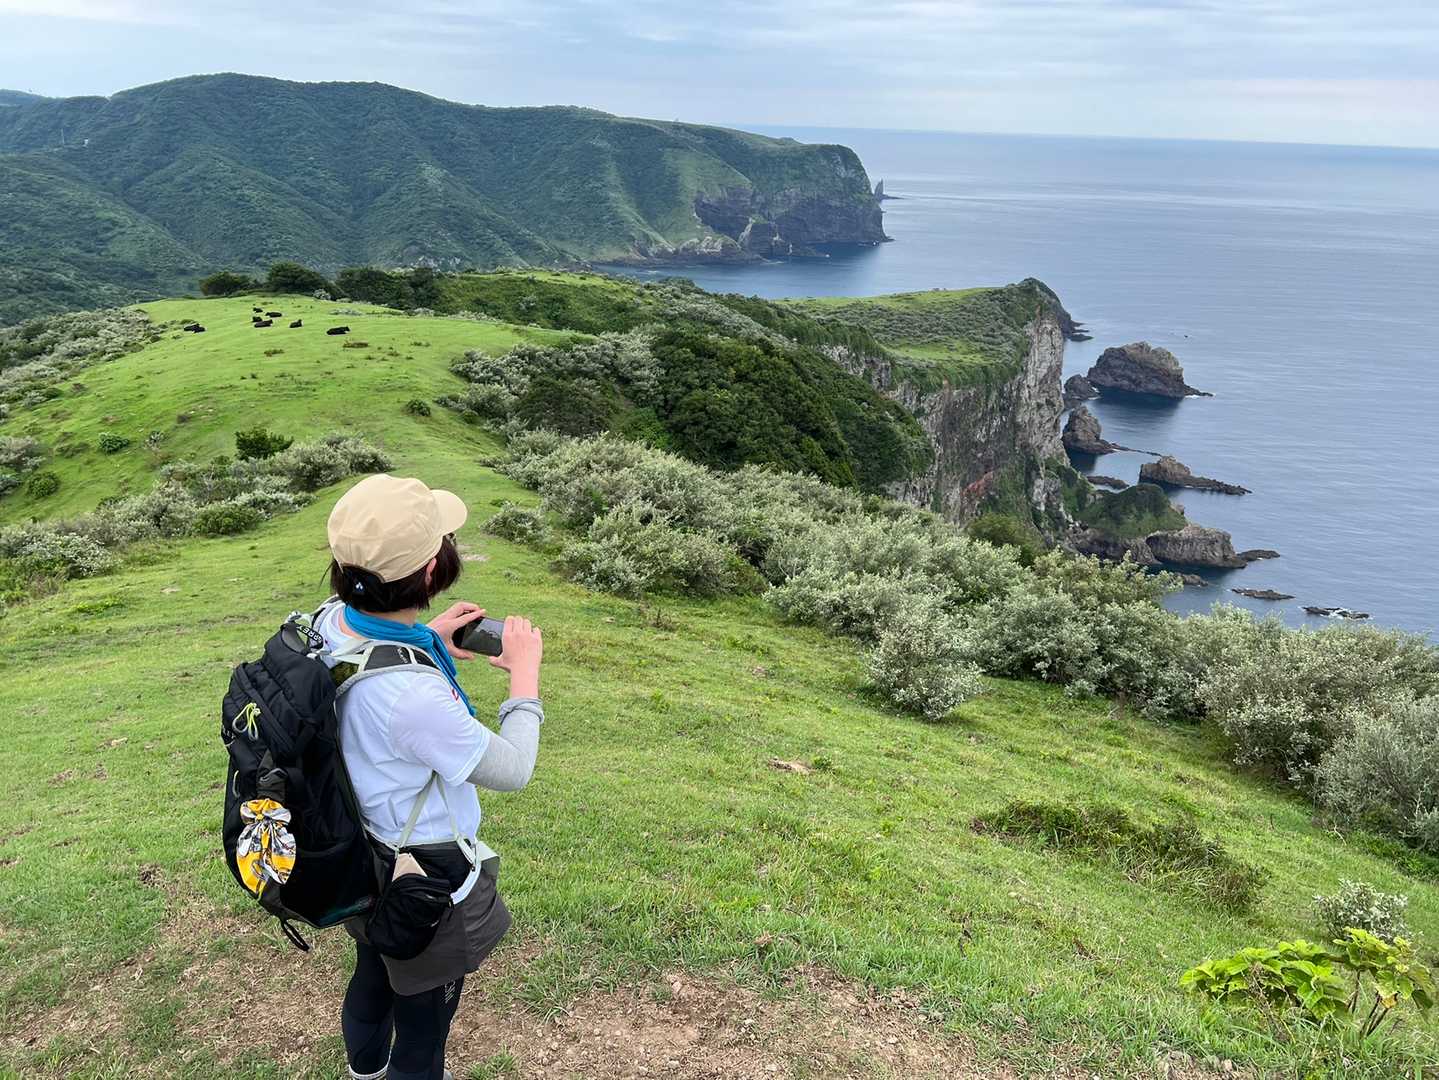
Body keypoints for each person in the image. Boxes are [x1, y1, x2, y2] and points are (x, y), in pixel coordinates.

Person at [318, 473, 544, 1080]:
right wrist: (524, 679)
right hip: (419, 875)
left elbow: (365, 673)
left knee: (373, 969)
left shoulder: (327, 623)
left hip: (358, 853)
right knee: (423, 1032)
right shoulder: (412, 697)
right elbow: (513, 769)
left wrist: (425, 638)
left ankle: (364, 1070)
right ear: (429, 572)